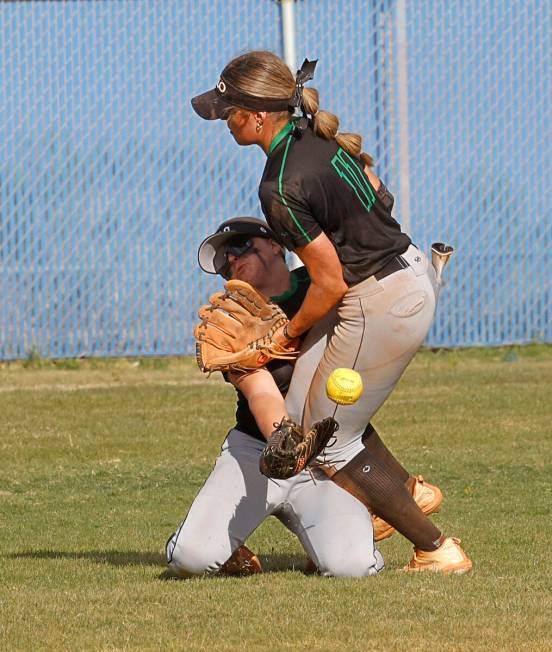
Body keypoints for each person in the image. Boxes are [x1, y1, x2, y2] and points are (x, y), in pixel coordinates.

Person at [190, 51, 472, 573]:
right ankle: (405, 492)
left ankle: (435, 548)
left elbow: (330, 280)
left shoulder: (278, 185)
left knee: (328, 439)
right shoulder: (314, 140)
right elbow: (379, 196)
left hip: (378, 298)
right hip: (399, 277)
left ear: (256, 116)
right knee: (299, 423)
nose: (223, 120)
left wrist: (287, 336)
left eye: (228, 111)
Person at [166, 218, 384, 578]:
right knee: (190, 559)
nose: (232, 260)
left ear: (274, 245)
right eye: (225, 260)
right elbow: (260, 390)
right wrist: (283, 440)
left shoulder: (327, 287)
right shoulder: (232, 324)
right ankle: (223, 546)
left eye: (239, 246)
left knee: (352, 568)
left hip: (325, 456)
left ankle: (344, 532)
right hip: (256, 451)